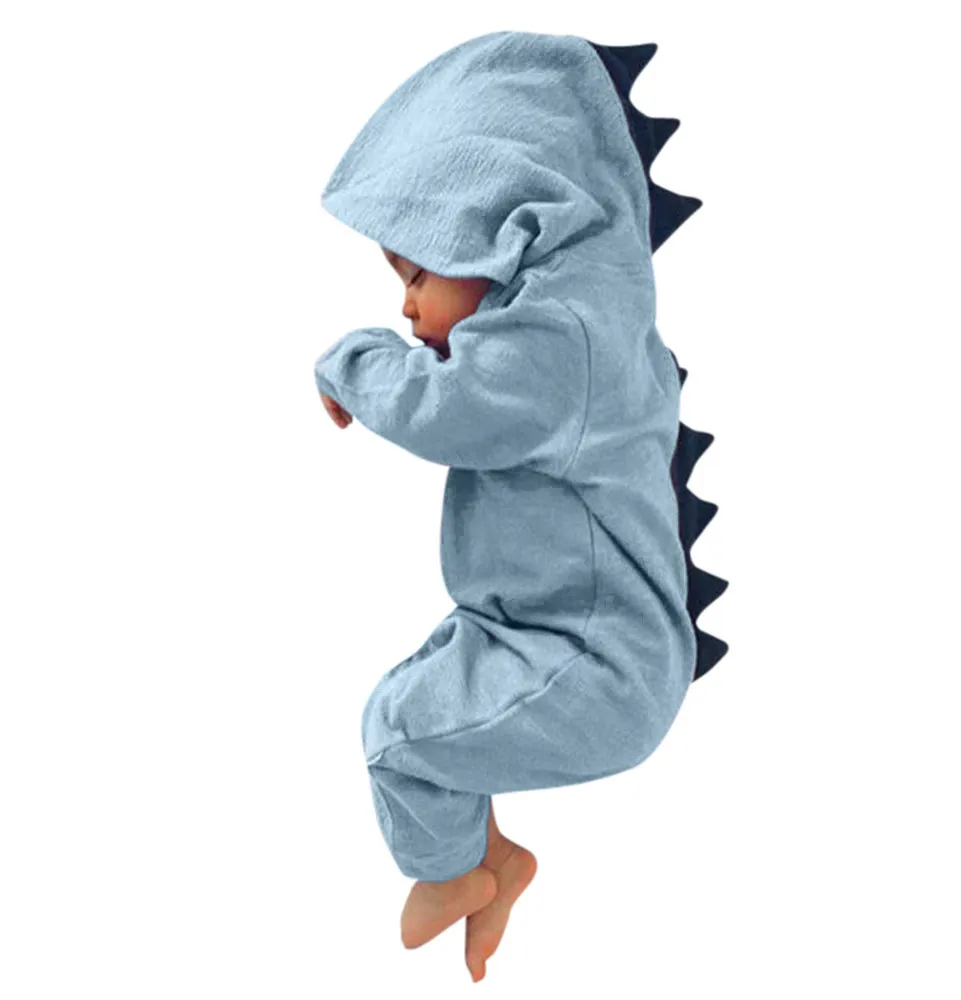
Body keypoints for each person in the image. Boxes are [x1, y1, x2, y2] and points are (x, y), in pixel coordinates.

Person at [313, 30, 728, 982]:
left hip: (600, 663)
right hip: (527, 627)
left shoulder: (563, 337)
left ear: (500, 231)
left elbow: (447, 408)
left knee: (399, 738)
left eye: (418, 275)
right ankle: (490, 864)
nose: (408, 309)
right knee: (412, 709)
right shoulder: (571, 312)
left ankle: (455, 872)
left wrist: (351, 360)